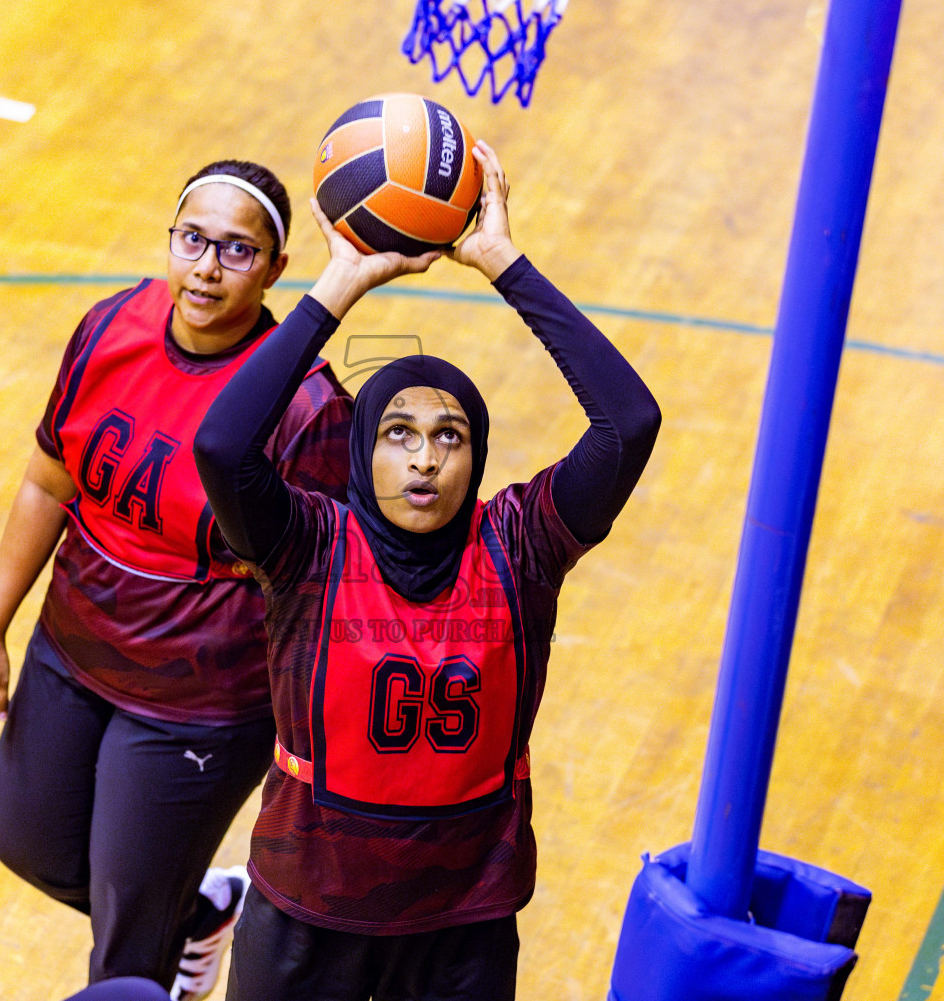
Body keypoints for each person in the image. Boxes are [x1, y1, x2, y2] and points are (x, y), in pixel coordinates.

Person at [193, 143, 661, 1000]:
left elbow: (627, 423)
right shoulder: (308, 546)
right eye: (397, 434)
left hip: (463, 924)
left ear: (477, 460)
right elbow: (223, 446)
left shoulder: (520, 545)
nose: (425, 459)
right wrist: (340, 285)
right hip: (307, 909)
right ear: (361, 455)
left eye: (450, 436)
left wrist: (502, 262)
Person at [0, 160, 352, 999]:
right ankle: (198, 912)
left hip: (199, 701)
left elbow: (325, 590)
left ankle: (164, 938)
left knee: (127, 943)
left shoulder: (304, 408)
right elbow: (46, 480)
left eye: (237, 252)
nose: (207, 266)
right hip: (73, 646)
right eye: (193, 240)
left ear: (277, 271)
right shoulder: (113, 327)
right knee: (27, 842)